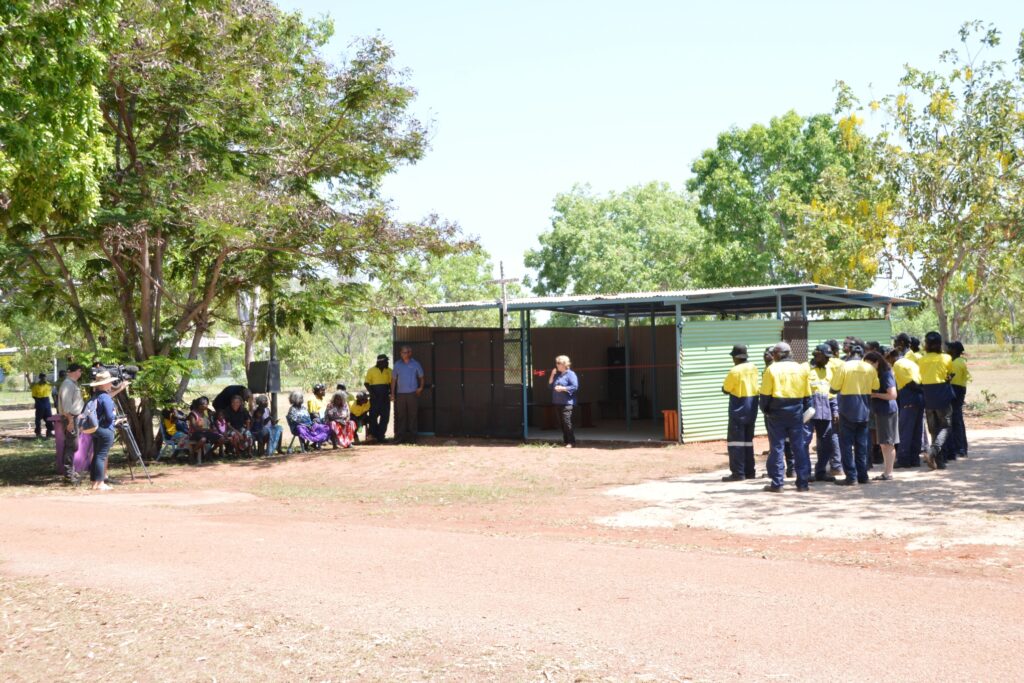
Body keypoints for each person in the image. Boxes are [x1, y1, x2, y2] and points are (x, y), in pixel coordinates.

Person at [758, 343, 811, 492]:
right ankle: (802, 483)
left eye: (774, 353)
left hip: (777, 411)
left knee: (777, 447)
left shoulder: (772, 369)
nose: (772, 355)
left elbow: (765, 395)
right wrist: (805, 412)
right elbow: (808, 396)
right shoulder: (801, 369)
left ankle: (777, 484)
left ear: (779, 354)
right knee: (798, 447)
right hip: (796, 411)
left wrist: (766, 411)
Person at [830, 344, 880, 486]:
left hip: (847, 408)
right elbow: (875, 387)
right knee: (861, 445)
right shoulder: (870, 368)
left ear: (850, 353)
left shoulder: (844, 367)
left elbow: (834, 388)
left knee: (846, 445)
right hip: (864, 409)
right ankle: (863, 476)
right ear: (863, 354)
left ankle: (851, 477)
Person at [917, 331, 955, 470]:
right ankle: (933, 451)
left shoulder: (921, 359)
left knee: (933, 429)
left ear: (926, 345)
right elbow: (949, 375)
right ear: (939, 344)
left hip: (927, 394)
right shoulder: (946, 358)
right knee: (945, 426)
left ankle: (939, 462)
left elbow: (921, 376)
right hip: (942, 394)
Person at [721, 344, 758, 481]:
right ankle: (750, 472)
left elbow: (726, 388)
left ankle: (738, 473)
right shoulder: (754, 368)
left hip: (738, 408)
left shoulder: (734, 371)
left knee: (735, 442)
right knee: (748, 441)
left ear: (736, 357)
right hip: (752, 407)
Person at [84, 371, 125, 491]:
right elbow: (109, 416)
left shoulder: (95, 396)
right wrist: (117, 420)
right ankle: (100, 483)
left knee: (97, 455)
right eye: (109, 382)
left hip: (95, 429)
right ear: (104, 384)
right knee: (101, 456)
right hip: (106, 430)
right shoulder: (105, 397)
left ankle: (94, 483)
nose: (111, 384)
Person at [807, 344, 841, 482]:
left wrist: (835, 410)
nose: (828, 360)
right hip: (809, 410)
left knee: (826, 443)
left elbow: (831, 393)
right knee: (804, 442)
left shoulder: (829, 371)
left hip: (825, 410)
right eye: (826, 357)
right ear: (817, 354)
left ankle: (821, 471)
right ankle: (805, 473)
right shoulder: (806, 369)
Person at [864, 351, 899, 480]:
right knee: (884, 443)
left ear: (876, 363)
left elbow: (892, 395)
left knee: (888, 443)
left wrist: (874, 395)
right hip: (880, 411)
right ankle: (886, 472)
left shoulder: (885, 374)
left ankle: (888, 473)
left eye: (869, 364)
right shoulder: (876, 374)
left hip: (887, 411)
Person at [891, 347, 924, 468]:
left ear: (891, 356)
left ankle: (904, 459)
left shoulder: (898, 364)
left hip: (909, 396)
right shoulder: (911, 363)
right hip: (920, 398)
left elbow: (910, 383)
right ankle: (915, 459)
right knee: (917, 429)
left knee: (906, 430)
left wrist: (920, 389)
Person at [391, 346, 425, 444]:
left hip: (412, 394)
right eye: (402, 352)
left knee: (413, 415)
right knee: (401, 416)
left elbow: (422, 377)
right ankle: (400, 437)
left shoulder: (416, 364)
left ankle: (413, 438)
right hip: (400, 394)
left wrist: (421, 388)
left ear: (410, 353)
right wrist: (393, 393)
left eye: (406, 352)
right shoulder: (397, 364)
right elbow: (393, 380)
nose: (404, 354)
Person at [57, 364, 85, 478]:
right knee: (71, 445)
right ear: (73, 372)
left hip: (74, 417)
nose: (80, 373)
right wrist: (70, 422)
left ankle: (70, 471)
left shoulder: (72, 384)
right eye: (79, 371)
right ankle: (68, 473)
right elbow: (66, 406)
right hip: (70, 418)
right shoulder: (68, 385)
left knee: (73, 445)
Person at [946, 341, 971, 460]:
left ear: (954, 351)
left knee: (955, 420)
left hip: (955, 390)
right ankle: (962, 447)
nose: (947, 350)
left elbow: (950, 378)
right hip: (960, 390)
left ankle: (959, 447)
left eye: (949, 348)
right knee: (958, 419)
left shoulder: (955, 363)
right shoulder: (962, 361)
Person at [549, 355, 578, 448]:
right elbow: (550, 386)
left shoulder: (571, 374)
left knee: (566, 421)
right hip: (557, 402)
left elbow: (575, 386)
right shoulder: (558, 375)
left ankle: (571, 442)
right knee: (561, 423)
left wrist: (563, 388)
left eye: (558, 363)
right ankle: (566, 441)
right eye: (556, 363)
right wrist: (552, 374)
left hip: (567, 403)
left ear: (564, 364)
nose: (557, 365)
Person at [364, 354, 392, 443]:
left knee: (385, 417)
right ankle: (373, 435)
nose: (387, 363)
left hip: (385, 398)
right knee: (373, 417)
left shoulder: (390, 371)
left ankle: (381, 436)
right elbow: (366, 383)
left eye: (387, 361)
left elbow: (392, 384)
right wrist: (372, 394)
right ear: (380, 362)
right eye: (385, 361)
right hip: (375, 398)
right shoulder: (371, 370)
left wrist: (390, 393)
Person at [187, 396, 222, 461]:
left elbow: (209, 423)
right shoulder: (193, 414)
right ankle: (192, 453)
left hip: (205, 432)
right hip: (194, 433)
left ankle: (209, 452)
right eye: (206, 404)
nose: (207, 406)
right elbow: (195, 428)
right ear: (200, 406)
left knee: (221, 439)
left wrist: (212, 427)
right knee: (203, 439)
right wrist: (207, 430)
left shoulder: (206, 413)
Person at [30, 372, 54, 438]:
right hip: (39, 401)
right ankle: (38, 433)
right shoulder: (36, 386)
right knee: (38, 418)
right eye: (42, 377)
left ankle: (49, 432)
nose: (44, 378)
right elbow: (34, 395)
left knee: (49, 417)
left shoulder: (49, 385)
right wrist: (38, 402)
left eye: (45, 377)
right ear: (40, 378)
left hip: (46, 401)